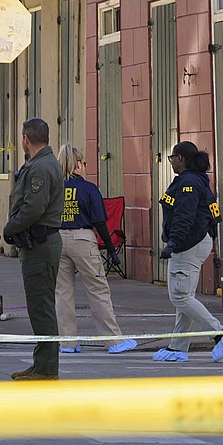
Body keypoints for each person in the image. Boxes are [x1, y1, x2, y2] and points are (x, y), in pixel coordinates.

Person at [154, 142, 223, 363]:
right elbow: (211, 214)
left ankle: (220, 333)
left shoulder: (189, 182)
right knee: (185, 297)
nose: (170, 162)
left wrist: (173, 242)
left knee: (179, 296)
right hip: (194, 242)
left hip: (188, 244)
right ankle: (178, 347)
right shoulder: (195, 180)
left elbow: (184, 215)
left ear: (180, 158)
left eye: (171, 158)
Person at [54, 144, 136, 355]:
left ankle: (67, 342)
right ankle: (113, 340)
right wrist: (110, 249)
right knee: (97, 289)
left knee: (63, 292)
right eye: (84, 163)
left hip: (57, 238)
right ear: (78, 164)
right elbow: (100, 222)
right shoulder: (89, 188)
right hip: (83, 237)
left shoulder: (54, 187)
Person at [3, 117, 64, 381]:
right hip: (39, 243)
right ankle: (41, 363)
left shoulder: (40, 168)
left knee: (41, 307)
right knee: (40, 306)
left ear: (25, 139)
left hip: (40, 244)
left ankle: (46, 368)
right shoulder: (41, 164)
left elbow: (33, 208)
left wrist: (10, 228)